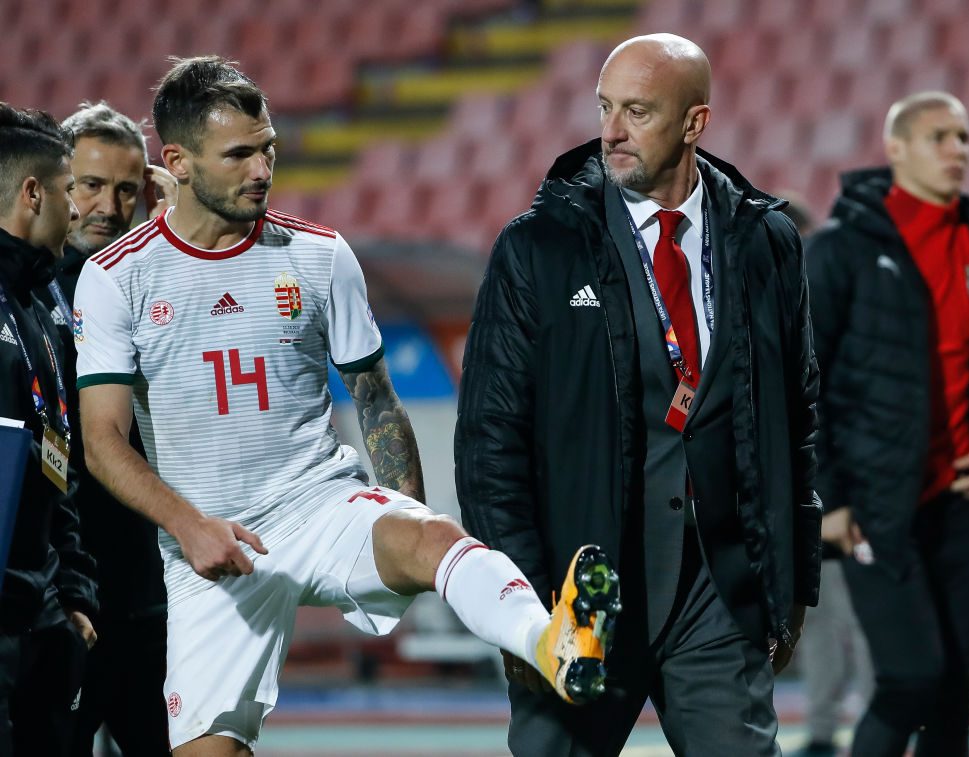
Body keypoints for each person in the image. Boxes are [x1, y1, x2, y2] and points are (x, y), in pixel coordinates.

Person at [72, 57, 620, 756]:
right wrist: (189, 524)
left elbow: (375, 398)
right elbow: (102, 439)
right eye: (239, 154)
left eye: (268, 148)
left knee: (436, 537)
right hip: (208, 545)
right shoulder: (118, 277)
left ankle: (554, 644)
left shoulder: (319, 256)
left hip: (317, 503)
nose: (262, 169)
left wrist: (409, 517)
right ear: (176, 161)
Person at [455, 34, 821, 756]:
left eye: (637, 112)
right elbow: (490, 441)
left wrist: (790, 585)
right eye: (604, 107)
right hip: (577, 594)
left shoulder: (766, 241)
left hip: (718, 595)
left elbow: (800, 419)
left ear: (695, 123)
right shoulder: (539, 247)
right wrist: (519, 607)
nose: (611, 132)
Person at [805, 91, 969, 757]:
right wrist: (829, 497)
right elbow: (798, 383)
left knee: (953, 688)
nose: (958, 150)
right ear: (895, 147)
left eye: (963, 138)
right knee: (910, 678)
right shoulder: (838, 253)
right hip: (876, 508)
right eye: (939, 137)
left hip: (965, 505)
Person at [36, 101, 176, 756]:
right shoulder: (30, 293)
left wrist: (181, 225)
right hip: (63, 593)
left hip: (147, 593)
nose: (109, 207)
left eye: (126, 190)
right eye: (90, 185)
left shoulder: (155, 286)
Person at [0, 103, 98, 756]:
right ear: (33, 193)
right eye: (71, 192)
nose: (80, 211)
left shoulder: (40, 302)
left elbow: (53, 460)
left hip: (40, 619)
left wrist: (71, 594)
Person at [780, 196, 873, 757]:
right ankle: (834, 729)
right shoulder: (795, 309)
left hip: (836, 490)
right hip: (817, 490)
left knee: (852, 619)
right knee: (828, 619)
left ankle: (865, 725)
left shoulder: (820, 308)